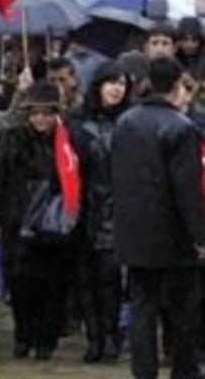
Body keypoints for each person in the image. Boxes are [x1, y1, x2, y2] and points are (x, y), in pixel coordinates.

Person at [112, 58, 205, 379]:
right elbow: (188, 190)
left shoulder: (125, 122)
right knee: (182, 310)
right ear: (177, 82)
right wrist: (200, 235)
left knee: (143, 307)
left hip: (134, 231)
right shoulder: (182, 127)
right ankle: (185, 370)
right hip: (174, 234)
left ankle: (145, 372)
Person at [0, 81, 78, 361]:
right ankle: (23, 335)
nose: (41, 119)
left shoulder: (67, 141)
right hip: (17, 222)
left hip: (54, 225)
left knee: (53, 286)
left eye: (46, 113)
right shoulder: (13, 138)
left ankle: (45, 340)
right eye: (35, 113)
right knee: (21, 285)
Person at [69, 62, 130, 363]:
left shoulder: (131, 121)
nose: (116, 88)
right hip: (83, 209)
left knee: (110, 279)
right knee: (85, 279)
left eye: (121, 83)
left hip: (118, 209)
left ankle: (111, 336)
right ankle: (94, 337)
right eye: (110, 82)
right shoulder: (77, 123)